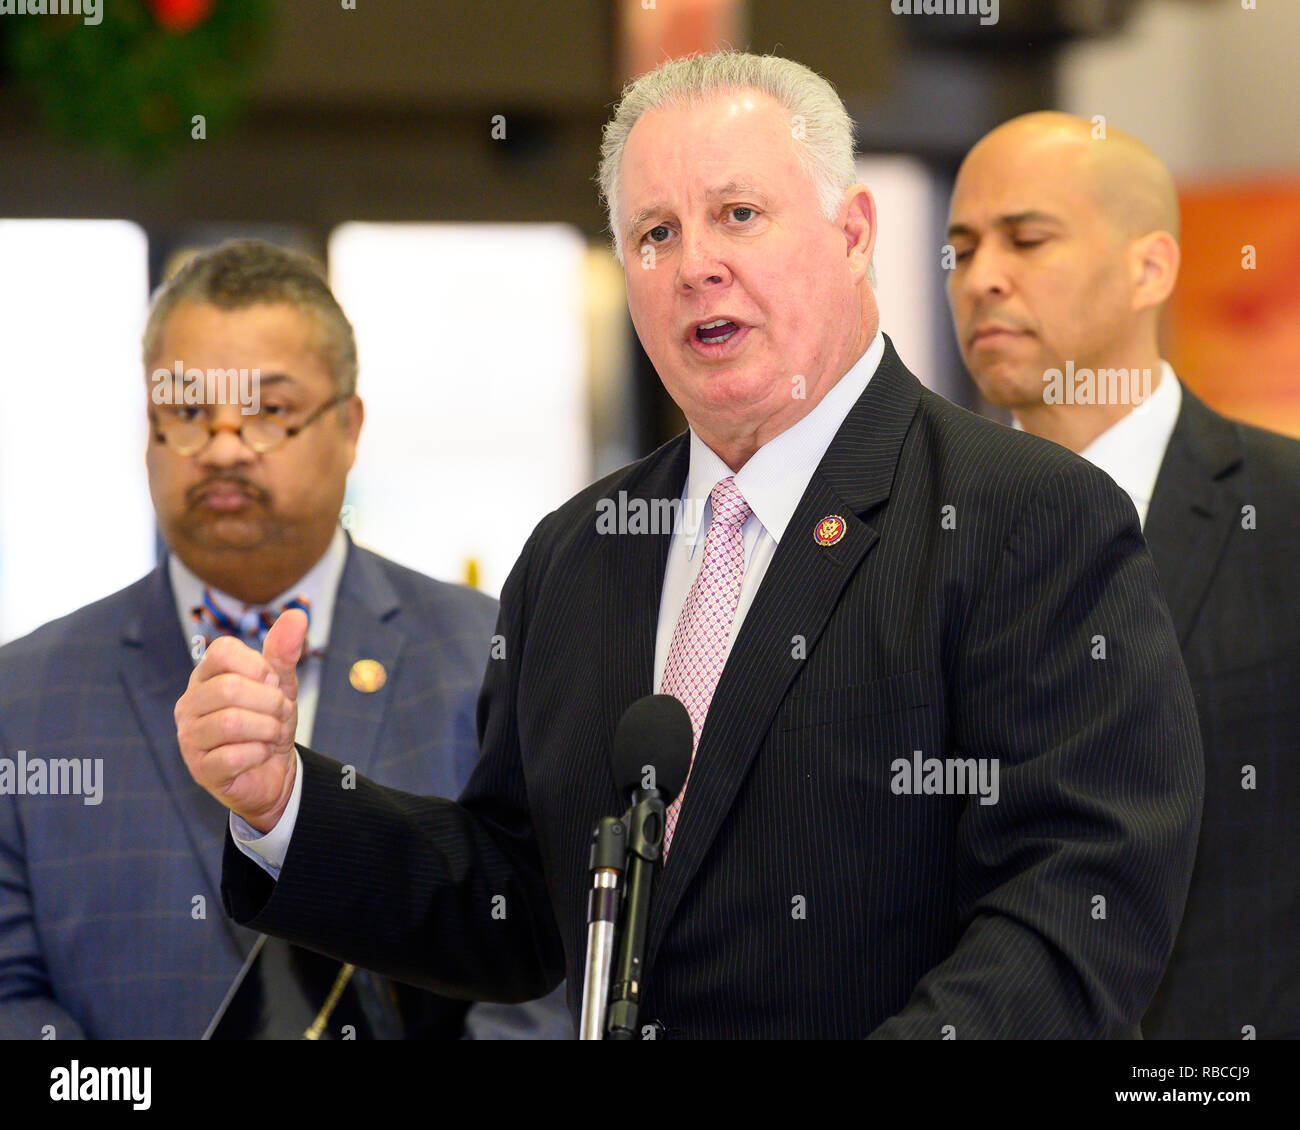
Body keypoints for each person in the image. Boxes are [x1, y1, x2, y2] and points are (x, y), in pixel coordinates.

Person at [179, 54, 1203, 1039]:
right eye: (655, 233)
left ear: (852, 233)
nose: (696, 264)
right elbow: (518, 897)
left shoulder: (1027, 517)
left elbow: (1077, 900)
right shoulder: (576, 554)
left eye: (738, 215)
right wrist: (287, 802)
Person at [0, 239, 570, 1039]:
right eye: (189, 413)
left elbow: (550, 974)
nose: (226, 447)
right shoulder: (23, 696)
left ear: (349, 426)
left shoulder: (490, 656)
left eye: (267, 411)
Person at [946, 112, 1300, 1039]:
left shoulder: (1286, 512)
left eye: (1026, 239)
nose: (982, 277)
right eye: (963, 246)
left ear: (1150, 268)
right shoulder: (916, 531)